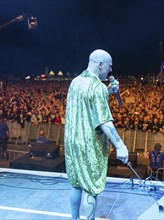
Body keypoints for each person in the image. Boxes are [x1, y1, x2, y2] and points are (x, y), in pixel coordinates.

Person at [64, 49, 128, 220]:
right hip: (89, 145)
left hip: (73, 143)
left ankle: (74, 218)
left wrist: (107, 92)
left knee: (76, 185)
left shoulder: (75, 82)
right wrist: (120, 145)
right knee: (90, 188)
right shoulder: (97, 87)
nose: (110, 70)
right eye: (109, 66)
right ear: (100, 64)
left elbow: (88, 102)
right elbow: (104, 122)